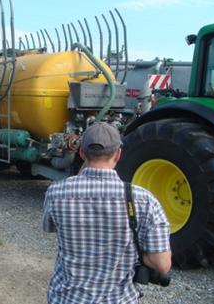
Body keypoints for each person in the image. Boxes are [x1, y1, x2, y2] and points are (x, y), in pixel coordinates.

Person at [42, 122, 171, 304]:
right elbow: (162, 265)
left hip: (66, 298)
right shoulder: (144, 200)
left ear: (81, 153)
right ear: (118, 153)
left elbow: (50, 227)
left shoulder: (56, 192)